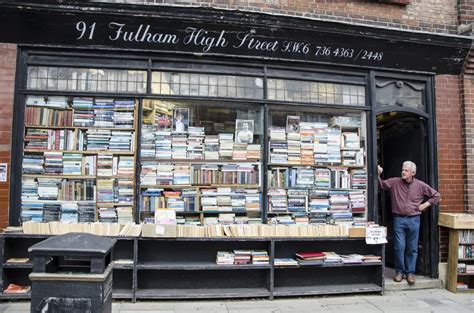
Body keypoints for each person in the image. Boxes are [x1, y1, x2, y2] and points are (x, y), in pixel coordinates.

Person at [377, 161, 440, 285]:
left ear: (413, 173)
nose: (403, 172)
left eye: (406, 170)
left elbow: (436, 196)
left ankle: (410, 272)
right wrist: (378, 174)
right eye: (403, 169)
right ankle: (399, 272)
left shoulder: (420, 185)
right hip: (399, 219)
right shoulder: (395, 182)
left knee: (412, 248)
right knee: (399, 247)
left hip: (414, 219)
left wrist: (425, 205)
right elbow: (382, 186)